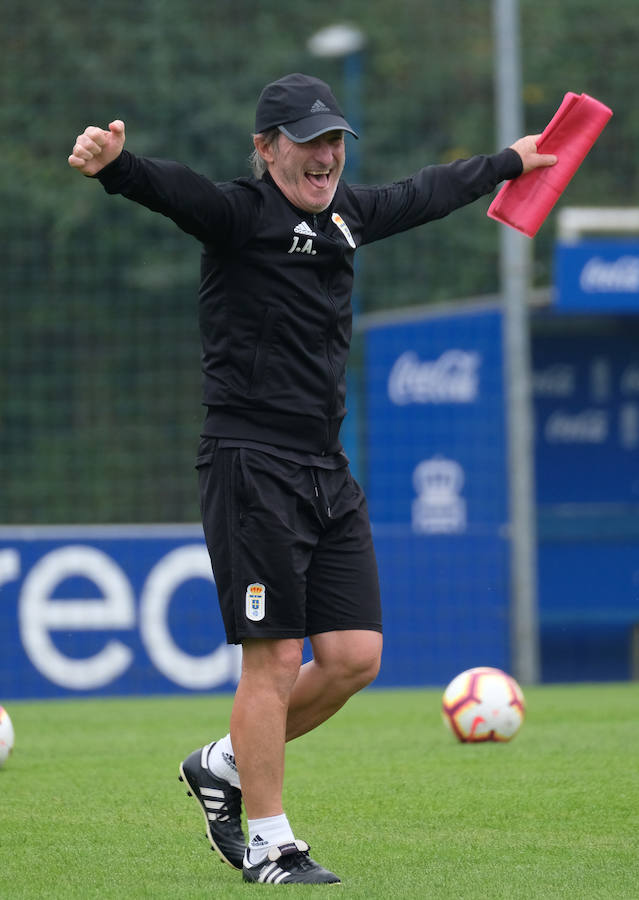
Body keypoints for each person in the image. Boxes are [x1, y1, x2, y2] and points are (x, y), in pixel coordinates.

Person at [68, 72, 556, 885]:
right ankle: (269, 842)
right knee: (270, 660)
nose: (325, 154)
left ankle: (221, 762)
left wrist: (508, 160)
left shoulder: (347, 218)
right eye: (306, 140)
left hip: (325, 468)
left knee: (355, 657)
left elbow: (426, 191)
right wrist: (118, 166)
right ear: (266, 150)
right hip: (250, 465)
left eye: (333, 139)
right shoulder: (239, 214)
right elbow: (175, 191)